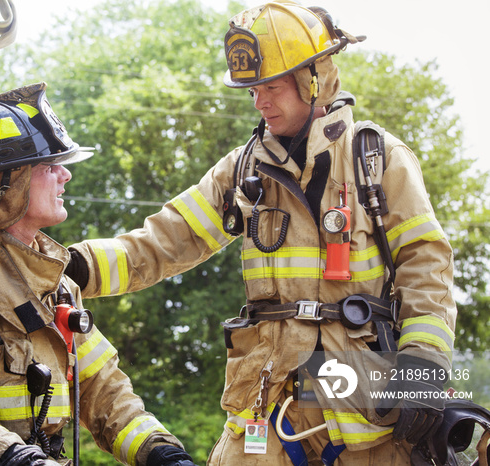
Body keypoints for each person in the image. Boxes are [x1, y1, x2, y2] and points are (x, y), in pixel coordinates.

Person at [64, 2, 457, 464]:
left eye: (271, 86)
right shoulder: (242, 170)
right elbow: (164, 241)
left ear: (315, 79)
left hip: (367, 410)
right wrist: (70, 266)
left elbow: (426, 265)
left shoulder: (378, 160)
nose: (259, 101)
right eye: (253, 90)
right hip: (266, 404)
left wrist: (423, 368)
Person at [0, 82, 197, 466]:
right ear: (10, 184)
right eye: (51, 165)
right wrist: (11, 459)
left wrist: (161, 451)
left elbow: (104, 391)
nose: (65, 175)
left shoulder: (59, 286)